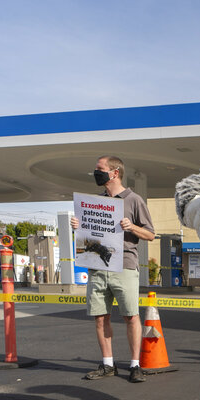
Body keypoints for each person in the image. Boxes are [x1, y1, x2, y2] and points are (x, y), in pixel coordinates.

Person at [71, 156, 155, 383]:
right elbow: (88, 237)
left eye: (100, 169)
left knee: (130, 316)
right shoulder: (94, 204)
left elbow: (150, 234)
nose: (96, 173)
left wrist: (132, 226)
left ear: (115, 172)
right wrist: (78, 228)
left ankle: (135, 365)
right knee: (100, 317)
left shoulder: (133, 200)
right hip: (97, 266)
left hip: (125, 265)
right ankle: (108, 365)